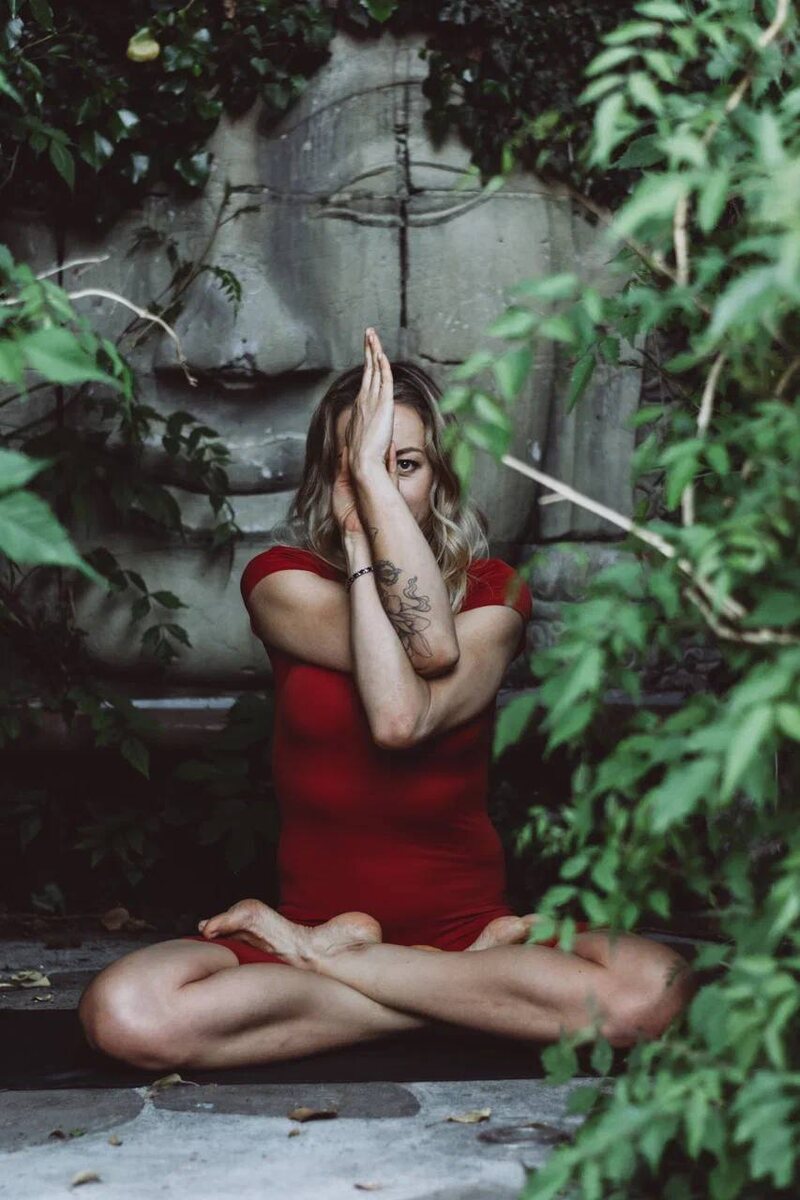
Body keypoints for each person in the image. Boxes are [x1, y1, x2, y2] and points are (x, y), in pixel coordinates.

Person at [77, 328, 695, 1071]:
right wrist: (359, 544)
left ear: (439, 479)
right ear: (327, 477)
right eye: (358, 464)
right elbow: (419, 660)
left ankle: (368, 970)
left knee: (654, 995)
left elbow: (409, 707)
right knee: (127, 1013)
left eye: (403, 465)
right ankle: (468, 1006)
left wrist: (313, 953)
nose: (381, 484)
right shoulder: (280, 581)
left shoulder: (496, 594)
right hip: (363, 933)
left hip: (454, 936)